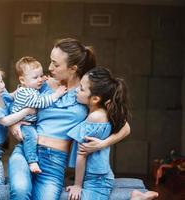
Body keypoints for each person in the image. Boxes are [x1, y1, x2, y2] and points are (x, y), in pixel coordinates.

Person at [8, 38, 131, 200]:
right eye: (51, 61)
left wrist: (101, 144)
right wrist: (14, 123)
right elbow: (9, 103)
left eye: (56, 64)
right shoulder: (41, 84)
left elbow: (125, 127)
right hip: (26, 151)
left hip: (54, 164)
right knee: (20, 190)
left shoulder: (86, 93)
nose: (50, 67)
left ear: (72, 68)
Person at [66, 67, 131, 200]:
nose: (77, 90)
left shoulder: (95, 117)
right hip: (97, 177)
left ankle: (134, 197)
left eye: (82, 89)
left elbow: (82, 153)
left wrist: (77, 185)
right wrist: (103, 144)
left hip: (96, 180)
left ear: (95, 99)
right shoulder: (106, 111)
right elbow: (127, 128)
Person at [11, 56, 67, 173]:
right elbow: (40, 102)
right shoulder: (26, 93)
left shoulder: (30, 88)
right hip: (25, 124)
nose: (40, 79)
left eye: (41, 75)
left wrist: (42, 81)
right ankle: (32, 162)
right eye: (35, 77)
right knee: (32, 137)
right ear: (22, 80)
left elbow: (38, 91)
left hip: (28, 122)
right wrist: (56, 94)